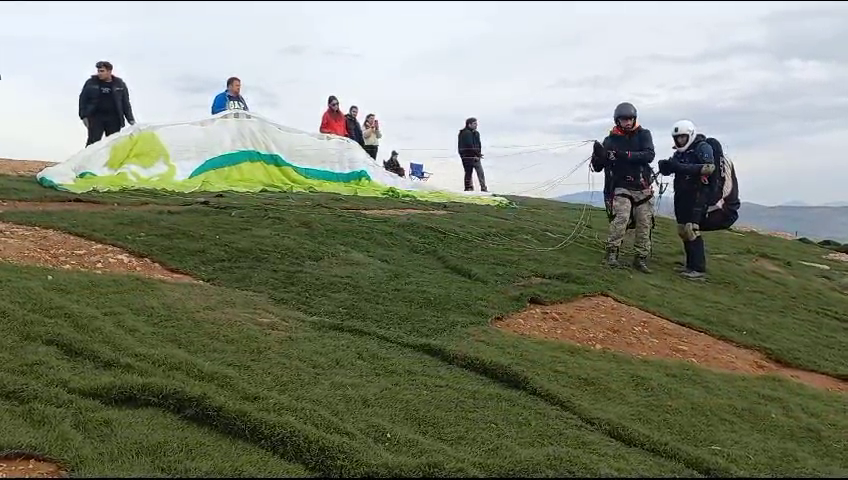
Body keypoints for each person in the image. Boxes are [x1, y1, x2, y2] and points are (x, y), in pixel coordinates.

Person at [657, 120, 740, 280]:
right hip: (686, 196)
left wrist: (678, 167)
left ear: (690, 135)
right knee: (683, 229)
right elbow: (676, 168)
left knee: (691, 229)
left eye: (683, 137)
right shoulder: (681, 153)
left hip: (702, 196)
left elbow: (708, 168)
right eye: (677, 138)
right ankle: (690, 265)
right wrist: (666, 166)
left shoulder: (703, 148)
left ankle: (698, 269)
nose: (680, 141)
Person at [590, 102, 656, 273]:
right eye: (624, 119)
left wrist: (623, 155)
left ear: (634, 119)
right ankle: (612, 253)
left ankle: (640, 258)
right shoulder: (610, 140)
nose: (627, 122)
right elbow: (598, 167)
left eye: (630, 119)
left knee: (644, 222)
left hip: (642, 186)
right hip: (620, 186)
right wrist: (598, 156)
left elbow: (649, 155)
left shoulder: (644, 135)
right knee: (621, 217)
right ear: (617, 121)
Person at [78, 60, 136, 147]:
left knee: (113, 143)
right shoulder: (91, 83)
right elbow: (83, 99)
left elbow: (125, 103)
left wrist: (130, 119)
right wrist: (83, 116)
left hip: (114, 118)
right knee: (93, 142)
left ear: (109, 71)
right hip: (96, 117)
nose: (99, 73)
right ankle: (89, 156)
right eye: (98, 71)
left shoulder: (119, 84)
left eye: (102, 71)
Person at [457, 117, 487, 192]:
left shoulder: (476, 133)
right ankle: (468, 188)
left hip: (476, 156)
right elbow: (469, 145)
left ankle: (483, 188)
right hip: (467, 157)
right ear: (469, 124)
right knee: (468, 173)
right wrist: (477, 154)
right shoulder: (465, 133)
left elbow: (479, 145)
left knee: (480, 172)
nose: (476, 125)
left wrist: (478, 154)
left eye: (476, 123)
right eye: (474, 124)